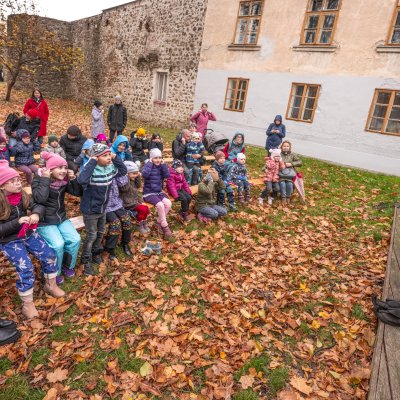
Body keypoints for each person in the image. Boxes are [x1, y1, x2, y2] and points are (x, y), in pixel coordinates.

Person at [0, 161, 63, 319]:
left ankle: (50, 285)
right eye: (13, 181)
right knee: (26, 267)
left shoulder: (22, 195)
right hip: (9, 240)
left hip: (27, 233)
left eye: (18, 179)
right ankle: (27, 304)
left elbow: (38, 204)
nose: (18, 183)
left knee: (49, 255)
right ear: (2, 186)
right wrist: (17, 222)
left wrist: (36, 213)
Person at [32, 152, 82, 285]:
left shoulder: (63, 181)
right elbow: (40, 199)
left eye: (65, 168)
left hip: (61, 217)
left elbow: (77, 192)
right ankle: (55, 271)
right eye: (60, 167)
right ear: (50, 169)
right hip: (45, 221)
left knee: (75, 239)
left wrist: (73, 179)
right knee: (58, 244)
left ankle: (67, 265)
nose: (63, 171)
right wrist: (45, 179)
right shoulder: (39, 179)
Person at [77, 144, 127, 275]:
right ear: (96, 158)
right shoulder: (91, 170)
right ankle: (86, 259)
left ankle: (95, 253)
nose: (109, 157)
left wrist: (115, 158)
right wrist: (92, 161)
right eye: (105, 155)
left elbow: (123, 171)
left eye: (109, 154)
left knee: (100, 232)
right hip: (90, 210)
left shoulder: (109, 168)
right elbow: (82, 180)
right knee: (91, 235)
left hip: (103, 208)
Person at [142, 148, 172, 239]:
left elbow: (167, 175)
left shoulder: (161, 166)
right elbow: (144, 175)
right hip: (148, 193)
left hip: (158, 192)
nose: (158, 160)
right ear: (151, 158)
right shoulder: (147, 165)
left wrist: (164, 165)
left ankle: (158, 222)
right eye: (155, 158)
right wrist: (149, 163)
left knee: (168, 203)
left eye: (159, 157)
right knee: (160, 205)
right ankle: (165, 226)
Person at [104, 174, 133, 259]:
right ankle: (110, 248)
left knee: (127, 219)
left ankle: (125, 243)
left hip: (116, 203)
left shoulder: (114, 170)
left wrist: (120, 169)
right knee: (115, 223)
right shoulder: (99, 172)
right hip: (104, 206)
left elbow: (122, 183)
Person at [119, 161, 150, 235]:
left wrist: (137, 176)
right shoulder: (124, 182)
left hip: (134, 201)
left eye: (136, 173)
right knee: (142, 209)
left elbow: (138, 185)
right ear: (127, 173)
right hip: (127, 203)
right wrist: (126, 178)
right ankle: (139, 224)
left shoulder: (133, 180)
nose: (135, 175)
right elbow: (125, 189)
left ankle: (143, 222)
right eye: (134, 173)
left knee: (146, 208)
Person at [279, 141, 302, 205]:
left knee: (289, 184)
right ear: (281, 147)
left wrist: (291, 164)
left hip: (290, 174)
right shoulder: (279, 154)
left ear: (289, 147)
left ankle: (288, 197)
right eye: (284, 146)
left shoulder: (292, 154)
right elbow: (273, 160)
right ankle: (283, 197)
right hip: (281, 173)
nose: (286, 147)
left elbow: (300, 162)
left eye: (287, 146)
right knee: (282, 184)